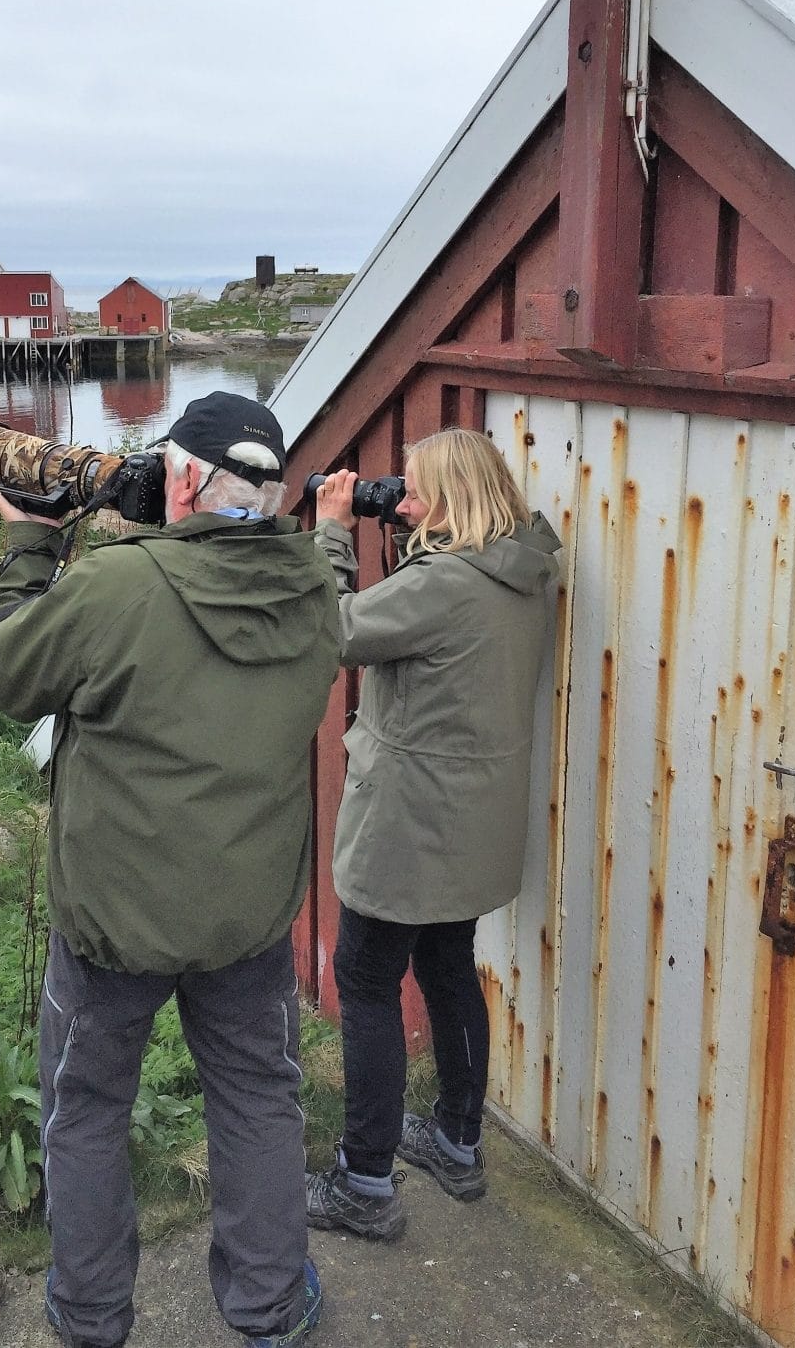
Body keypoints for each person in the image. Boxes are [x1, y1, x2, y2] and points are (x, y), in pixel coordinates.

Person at [0, 391, 341, 1348]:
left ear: (179, 479)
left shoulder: (119, 588)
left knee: (87, 1112)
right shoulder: (316, 592)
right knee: (259, 1100)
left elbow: (6, 678)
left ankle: (91, 1319)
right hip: (248, 918)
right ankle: (266, 1311)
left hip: (114, 923)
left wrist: (31, 546)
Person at [304, 428, 561, 1241]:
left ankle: (365, 1183)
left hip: (413, 820)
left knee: (367, 979)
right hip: (475, 818)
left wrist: (331, 532)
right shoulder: (523, 568)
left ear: (453, 500)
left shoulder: (447, 583)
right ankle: (457, 1140)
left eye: (414, 491)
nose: (401, 501)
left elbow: (334, 631)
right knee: (449, 966)